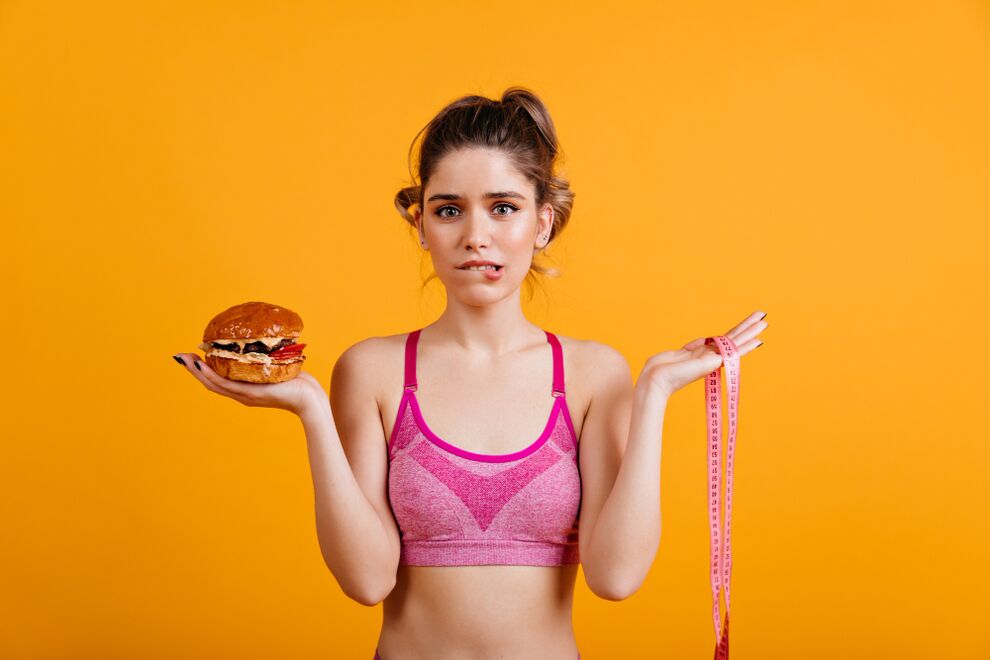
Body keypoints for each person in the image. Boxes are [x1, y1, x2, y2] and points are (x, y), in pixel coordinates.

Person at [174, 86, 768, 659]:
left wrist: (656, 392)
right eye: (449, 210)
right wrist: (310, 408)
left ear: (543, 224)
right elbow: (366, 581)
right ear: (421, 226)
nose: (475, 236)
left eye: (503, 207)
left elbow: (616, 576)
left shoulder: (593, 375)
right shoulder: (372, 371)